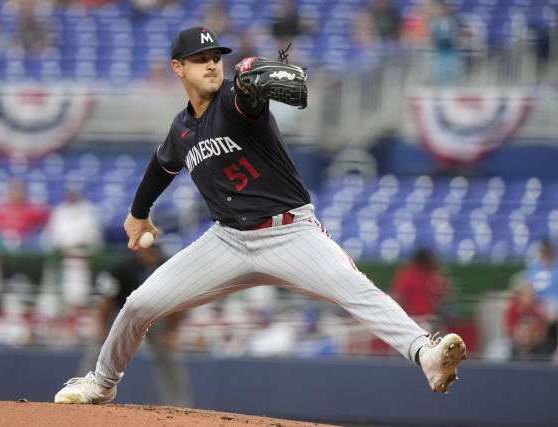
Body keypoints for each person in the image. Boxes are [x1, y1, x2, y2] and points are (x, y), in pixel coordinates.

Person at [54, 25, 467, 405]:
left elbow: (252, 94)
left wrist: (254, 80)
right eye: (200, 58)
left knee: (356, 290)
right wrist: (138, 213)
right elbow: (162, 166)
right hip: (228, 241)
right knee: (139, 304)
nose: (212, 63)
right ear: (178, 68)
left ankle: (426, 355)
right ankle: (102, 383)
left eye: (216, 56)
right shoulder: (181, 129)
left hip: (290, 233)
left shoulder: (234, 102)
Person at [86, 244, 192, 407]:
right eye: (150, 250)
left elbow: (175, 301)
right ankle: (84, 394)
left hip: (156, 313)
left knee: (170, 355)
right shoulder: (121, 268)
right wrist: (101, 326)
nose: (154, 253)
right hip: (121, 312)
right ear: (140, 250)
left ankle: (178, 405)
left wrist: (172, 331)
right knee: (99, 350)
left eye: (157, 250)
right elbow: (107, 301)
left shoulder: (167, 267)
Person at [391, 247, 450, 331]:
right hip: (413, 319)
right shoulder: (409, 275)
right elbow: (399, 297)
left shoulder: (434, 274)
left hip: (431, 319)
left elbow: (442, 295)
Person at [0, 177, 50, 249]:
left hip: (28, 246)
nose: (16, 192)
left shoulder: (35, 209)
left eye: (19, 189)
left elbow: (48, 224)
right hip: (1, 245)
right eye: (13, 189)